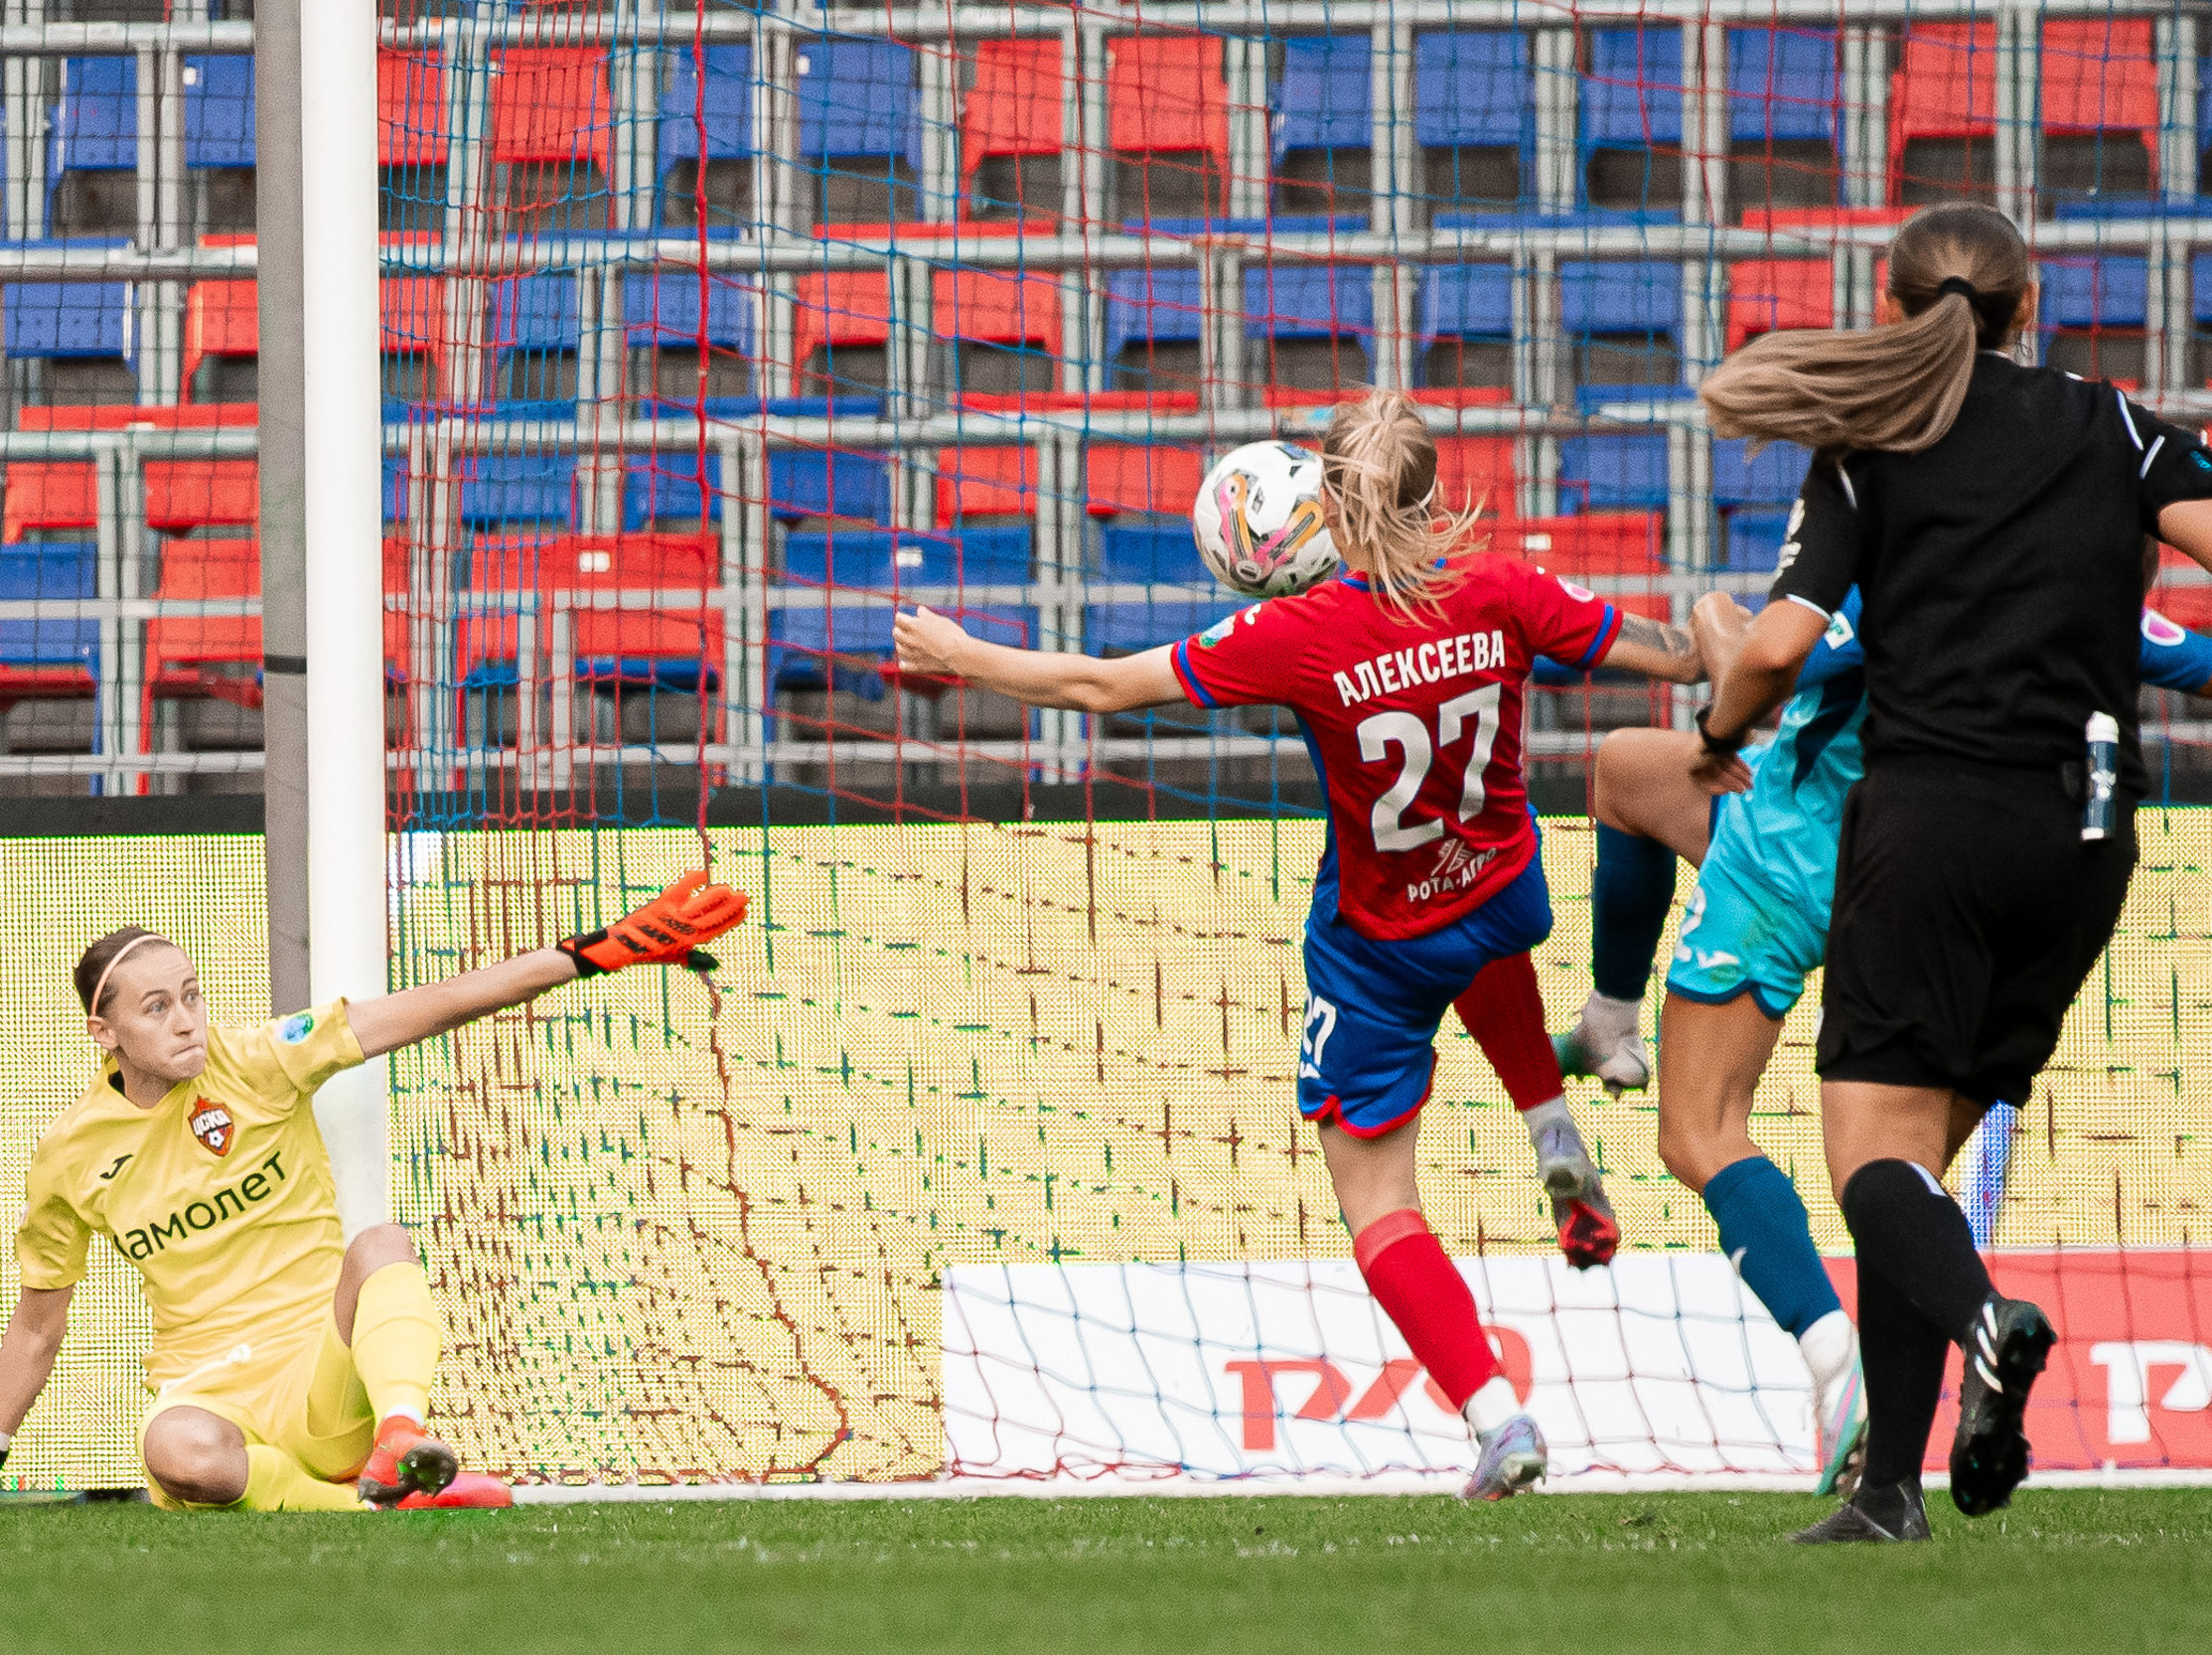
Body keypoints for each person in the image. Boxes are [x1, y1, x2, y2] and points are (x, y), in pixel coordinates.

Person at [893, 388, 1705, 1498]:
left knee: (1378, 1203)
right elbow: (1671, 658)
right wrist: (1722, 638)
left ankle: (1497, 1417)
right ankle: (1552, 1125)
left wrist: (962, 653)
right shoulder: (1506, 586)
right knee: (1479, 938)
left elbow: (1101, 686)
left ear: (1326, 501)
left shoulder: (1294, 635)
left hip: (1385, 940)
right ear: (1433, 490)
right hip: (1506, 890)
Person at [1694, 201, 2212, 1542]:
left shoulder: (1874, 446)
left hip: (1932, 822)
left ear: (1891, 305)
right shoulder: (2112, 421)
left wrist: (1715, 736)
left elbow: (1769, 649)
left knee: (1870, 1155)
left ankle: (1989, 1321)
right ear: (2025, 308)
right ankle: (1886, 1495)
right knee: (1914, 1171)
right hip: (2087, 840)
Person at [1562, 592, 2212, 1500]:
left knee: (1699, 1130)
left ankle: (1837, 1366)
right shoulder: (2078, 584)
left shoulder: (1905, 555)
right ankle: (1609, 1021)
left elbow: (1765, 664)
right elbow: (2194, 657)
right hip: (1947, 873)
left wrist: (1713, 622)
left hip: (1793, 852)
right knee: (1629, 767)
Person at [0, 870, 749, 1516]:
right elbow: (37, 1324)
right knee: (177, 1451)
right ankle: (373, 1507)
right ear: (105, 1032)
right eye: (157, 1007)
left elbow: (435, 1004)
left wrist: (584, 954)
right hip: (211, 1390)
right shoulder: (70, 1156)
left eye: (192, 996)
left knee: (379, 1243)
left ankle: (399, 1438)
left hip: (323, 1374)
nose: (187, 1020)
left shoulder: (261, 1059)